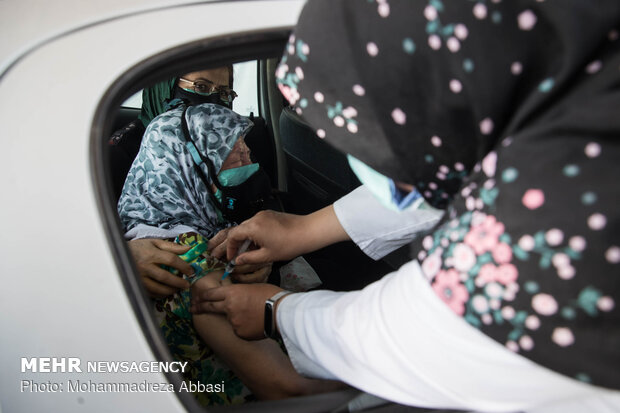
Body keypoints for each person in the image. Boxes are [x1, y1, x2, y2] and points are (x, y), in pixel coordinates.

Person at [191, 0, 620, 411]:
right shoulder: (562, 110)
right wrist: (301, 231)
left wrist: (275, 313)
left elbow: (422, 338)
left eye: (364, 136)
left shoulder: (563, 226)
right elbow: (453, 181)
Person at [118, 93, 335, 404]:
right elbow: (286, 386)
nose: (251, 165)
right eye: (236, 157)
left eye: (247, 153)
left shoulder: (131, 236)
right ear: (189, 166)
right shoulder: (189, 259)